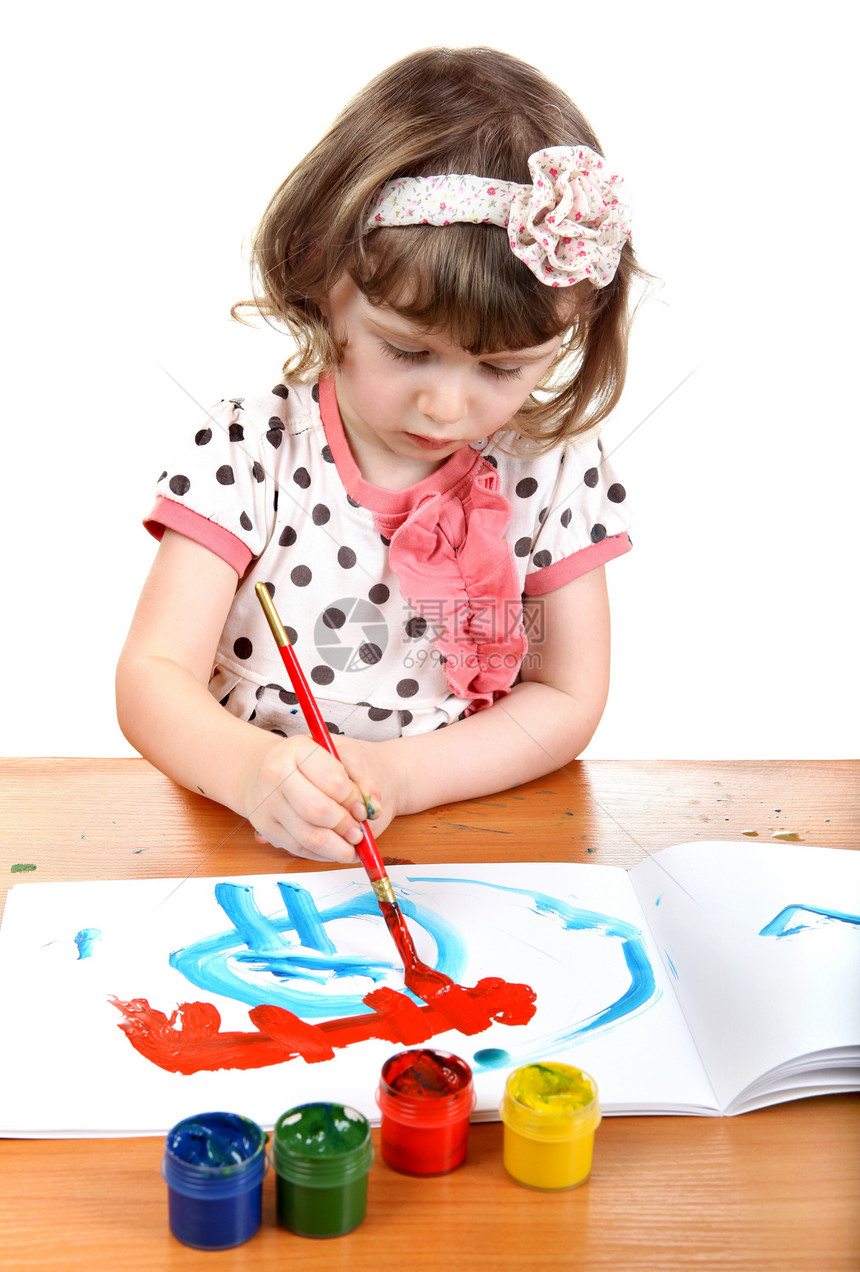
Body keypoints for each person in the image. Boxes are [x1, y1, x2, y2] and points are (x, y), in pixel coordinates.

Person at [116, 46, 645, 866]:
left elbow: (566, 697)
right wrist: (254, 773)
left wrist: (400, 777)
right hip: (243, 835)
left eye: (503, 369)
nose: (445, 407)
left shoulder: (555, 468)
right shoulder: (249, 452)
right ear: (324, 278)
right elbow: (152, 679)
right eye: (407, 352)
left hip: (460, 838)